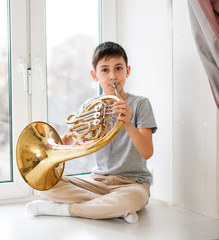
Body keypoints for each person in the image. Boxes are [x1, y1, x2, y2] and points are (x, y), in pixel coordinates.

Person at [25, 41, 157, 224]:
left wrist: (128, 125)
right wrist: (54, 145)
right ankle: (115, 210)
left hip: (132, 184)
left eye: (118, 68)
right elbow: (69, 141)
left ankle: (66, 210)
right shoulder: (90, 106)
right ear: (95, 75)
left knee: (133, 198)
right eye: (105, 70)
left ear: (127, 71)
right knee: (45, 187)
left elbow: (147, 152)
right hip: (97, 183)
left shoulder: (141, 104)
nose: (112, 76)